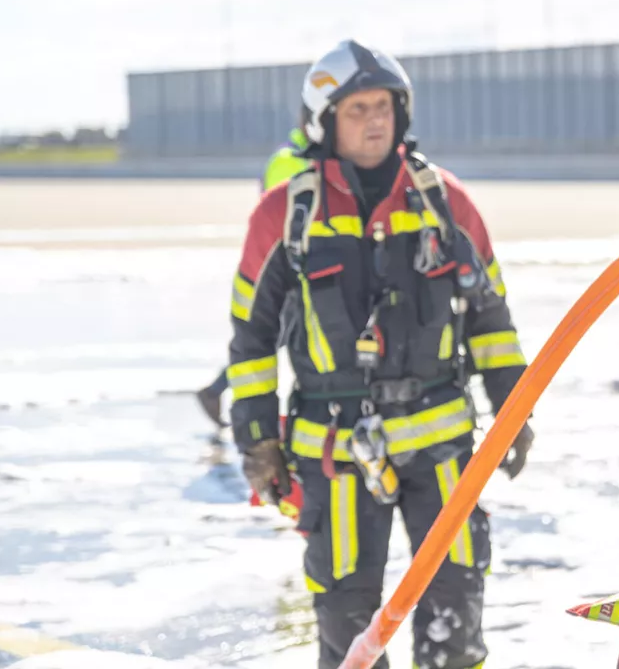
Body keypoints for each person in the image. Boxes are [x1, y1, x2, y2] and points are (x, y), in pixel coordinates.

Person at [226, 39, 535, 669]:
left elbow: (492, 319)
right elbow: (250, 341)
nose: (374, 119)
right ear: (324, 121)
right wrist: (258, 440)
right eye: (357, 108)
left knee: (456, 611)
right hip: (336, 452)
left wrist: (514, 410)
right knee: (347, 620)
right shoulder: (285, 216)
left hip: (441, 444)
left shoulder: (444, 202)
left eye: (383, 106)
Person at [196, 111, 314, 427]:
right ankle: (217, 390)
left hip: (293, 265)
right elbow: (287, 213)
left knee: (277, 336)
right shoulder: (291, 160)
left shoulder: (293, 157)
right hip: (288, 268)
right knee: (270, 337)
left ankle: (216, 390)